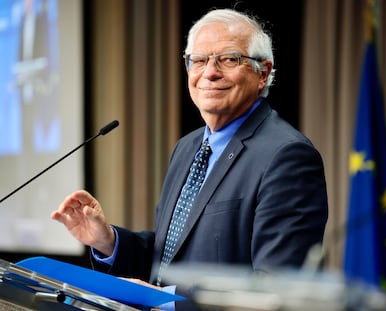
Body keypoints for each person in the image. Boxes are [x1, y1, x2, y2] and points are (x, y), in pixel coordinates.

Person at [51, 8, 328, 311]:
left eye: (229, 58)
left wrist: (170, 300)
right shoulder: (188, 147)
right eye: (198, 60)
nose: (209, 72)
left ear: (262, 73)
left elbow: (277, 289)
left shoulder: (287, 156)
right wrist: (109, 241)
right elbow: (170, 255)